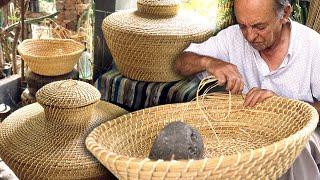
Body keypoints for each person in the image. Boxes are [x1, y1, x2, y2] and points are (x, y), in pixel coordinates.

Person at [175, 0, 320, 179]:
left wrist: (284, 106)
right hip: (248, 134)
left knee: (293, 148)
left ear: (285, 14)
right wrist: (211, 62)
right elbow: (181, 63)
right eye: (243, 26)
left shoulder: (313, 46)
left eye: (259, 27)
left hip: (301, 134)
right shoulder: (231, 38)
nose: (250, 36)